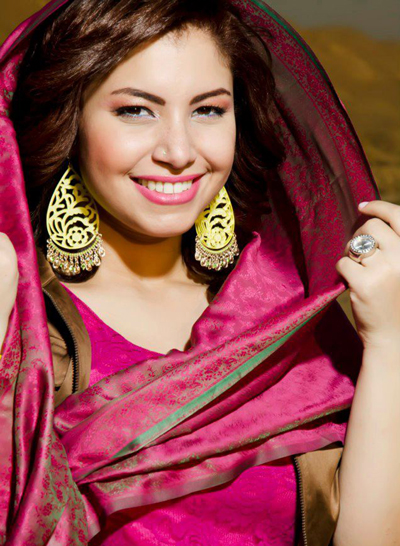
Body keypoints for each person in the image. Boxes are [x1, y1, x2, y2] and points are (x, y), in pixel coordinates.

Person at [0, 0, 399, 545]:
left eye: (208, 110)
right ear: (70, 120)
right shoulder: (25, 318)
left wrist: (389, 343)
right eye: (135, 110)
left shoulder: (286, 313)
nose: (180, 152)